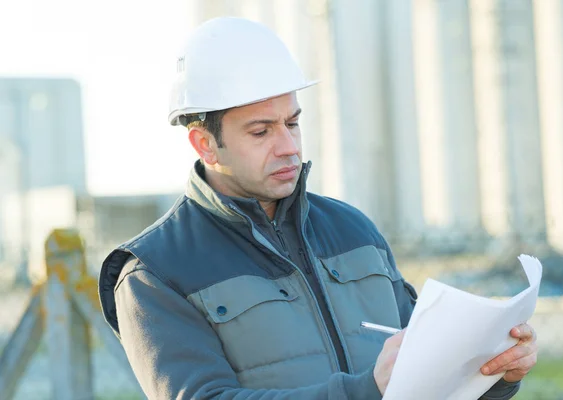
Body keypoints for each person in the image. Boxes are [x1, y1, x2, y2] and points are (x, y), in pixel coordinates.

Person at [98, 17, 537, 399]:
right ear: (205, 144)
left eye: (292, 122)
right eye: (261, 131)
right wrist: (367, 391)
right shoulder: (154, 273)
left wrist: (493, 374)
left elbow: (425, 373)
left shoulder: (353, 230)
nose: (289, 147)